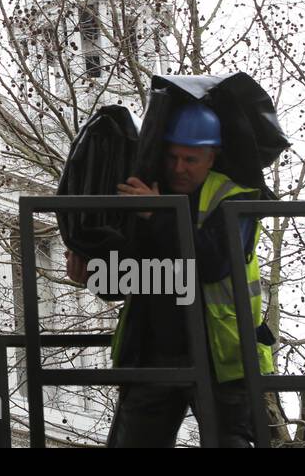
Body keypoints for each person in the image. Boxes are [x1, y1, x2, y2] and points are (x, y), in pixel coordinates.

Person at [106, 101, 274, 447]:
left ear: (211, 157)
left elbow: (213, 262)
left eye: (190, 159)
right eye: (172, 157)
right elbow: (120, 278)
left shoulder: (233, 199)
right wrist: (91, 268)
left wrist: (158, 215)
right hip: (154, 354)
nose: (179, 168)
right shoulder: (147, 195)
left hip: (220, 360)